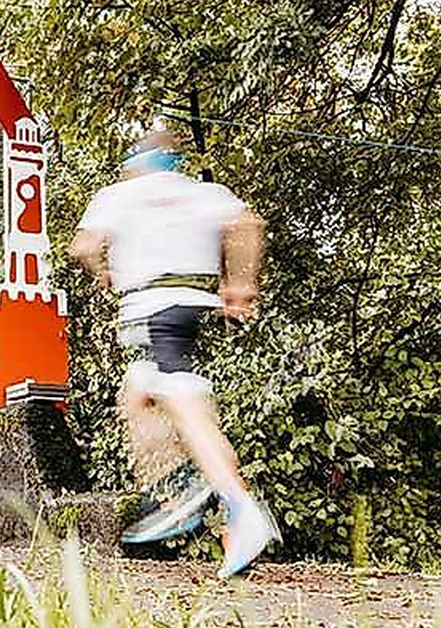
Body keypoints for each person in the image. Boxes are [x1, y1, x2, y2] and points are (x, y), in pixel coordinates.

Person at [69, 128, 279, 578]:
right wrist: (240, 284)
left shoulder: (118, 196)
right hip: (188, 308)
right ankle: (182, 486)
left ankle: (234, 506)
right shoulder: (202, 193)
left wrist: (103, 271)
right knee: (137, 395)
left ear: (135, 163)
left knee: (186, 410)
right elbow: (248, 225)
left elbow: (83, 246)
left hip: (152, 311)